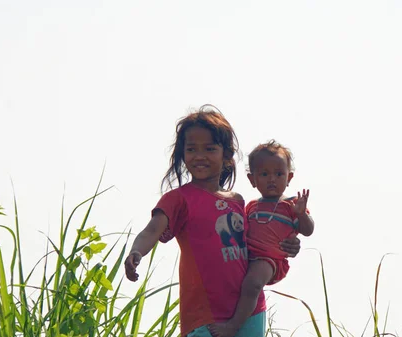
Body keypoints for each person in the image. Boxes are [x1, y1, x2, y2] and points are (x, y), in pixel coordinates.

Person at [124, 105, 301, 337]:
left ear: (227, 155)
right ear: (182, 154)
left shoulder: (238, 202)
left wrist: (290, 243)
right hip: (204, 315)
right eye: (191, 149)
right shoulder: (179, 199)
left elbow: (259, 241)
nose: (199, 156)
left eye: (209, 148)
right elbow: (152, 230)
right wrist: (136, 251)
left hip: (249, 311)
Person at [210, 139, 314, 337]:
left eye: (279, 174)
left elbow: (307, 230)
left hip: (269, 258)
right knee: (234, 284)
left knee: (252, 285)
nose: (272, 179)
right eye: (264, 174)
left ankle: (233, 326)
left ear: (289, 177)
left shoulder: (290, 205)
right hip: (246, 256)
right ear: (252, 180)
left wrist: (301, 214)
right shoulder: (251, 206)